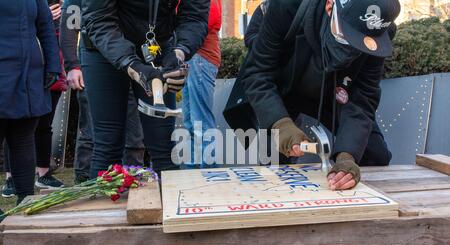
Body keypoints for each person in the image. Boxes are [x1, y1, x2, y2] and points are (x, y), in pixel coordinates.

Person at [224, 0, 400, 191]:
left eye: (360, 41)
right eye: (346, 35)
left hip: (332, 93)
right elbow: (258, 72)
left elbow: (363, 98)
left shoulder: (380, 32)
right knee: (274, 161)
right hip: (284, 88)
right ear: (329, 6)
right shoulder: (286, 6)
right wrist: (280, 124)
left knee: (375, 154)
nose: (351, 46)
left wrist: (347, 155)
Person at [81, 0, 210, 178]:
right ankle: (105, 204)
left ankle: (168, 204)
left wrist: (179, 52)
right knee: (108, 145)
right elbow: (99, 19)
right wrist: (132, 64)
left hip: (157, 45)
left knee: (164, 146)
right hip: (104, 46)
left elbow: (195, 17)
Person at [60, 0, 146, 184]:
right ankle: (85, 179)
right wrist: (72, 65)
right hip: (95, 67)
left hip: (130, 66)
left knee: (134, 134)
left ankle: (133, 179)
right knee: (93, 132)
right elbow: (69, 25)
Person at [2, 1, 66, 198]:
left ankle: (24, 203)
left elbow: (45, 26)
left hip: (28, 75)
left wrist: (53, 66)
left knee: (23, 138)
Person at [182, 0, 222, 168]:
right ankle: (192, 174)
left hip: (200, 57)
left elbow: (206, 19)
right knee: (191, 122)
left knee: (200, 122)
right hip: (192, 58)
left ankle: (210, 177)